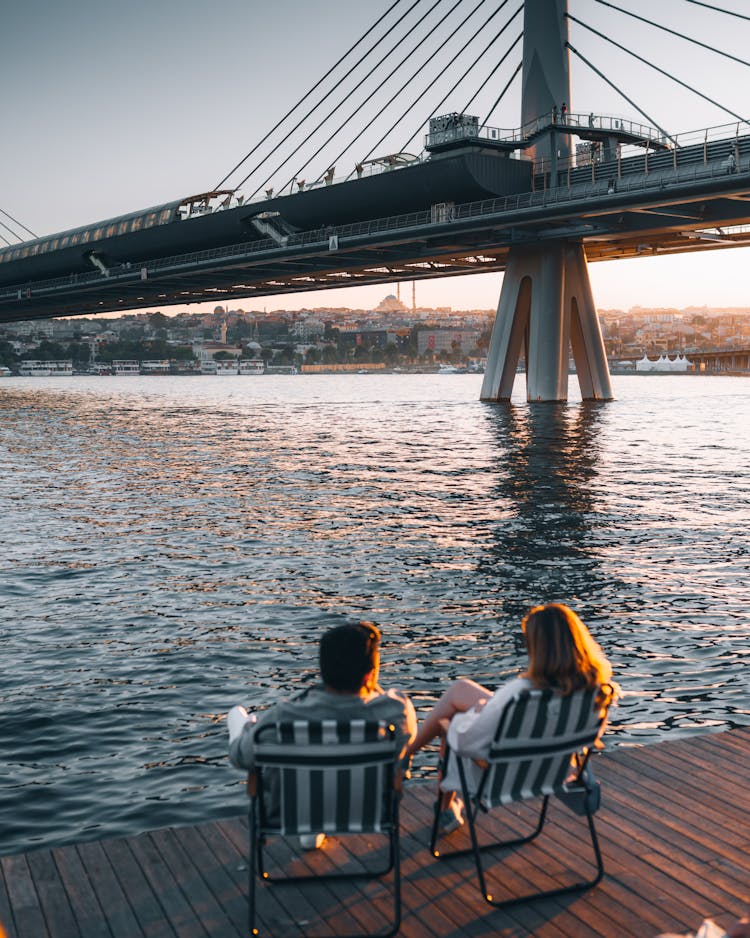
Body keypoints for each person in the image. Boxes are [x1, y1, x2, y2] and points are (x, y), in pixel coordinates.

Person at [407, 603, 619, 834]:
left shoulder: (520, 693)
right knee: (460, 690)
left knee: (452, 721)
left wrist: (470, 717)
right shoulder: (598, 691)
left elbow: (467, 741)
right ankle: (407, 757)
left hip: (503, 775)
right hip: (554, 770)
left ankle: (440, 803)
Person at [228, 621, 416, 848]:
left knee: (238, 718)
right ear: (369, 675)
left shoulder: (283, 718)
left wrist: (248, 728)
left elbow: (240, 758)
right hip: (368, 810)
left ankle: (312, 823)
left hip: (291, 810)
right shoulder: (396, 712)